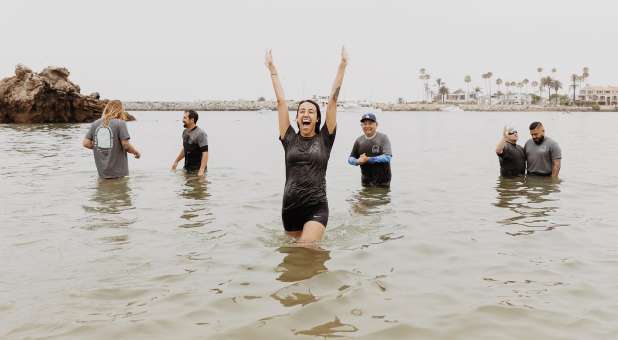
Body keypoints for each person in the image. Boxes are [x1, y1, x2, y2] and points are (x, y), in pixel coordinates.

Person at [265, 47, 348, 243]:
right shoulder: (289, 138)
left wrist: (342, 66)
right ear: (296, 118)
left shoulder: (325, 139)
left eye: (311, 111)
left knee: (306, 248)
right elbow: (281, 102)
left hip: (316, 205)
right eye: (302, 111)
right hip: (290, 208)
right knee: (295, 261)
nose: (306, 114)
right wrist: (272, 70)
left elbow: (333, 101)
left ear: (318, 118)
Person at [82, 100, 140, 179]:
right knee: (119, 190)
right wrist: (135, 152)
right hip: (118, 173)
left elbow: (86, 143)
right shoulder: (120, 123)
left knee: (103, 190)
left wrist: (100, 146)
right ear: (120, 110)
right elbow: (125, 145)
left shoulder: (95, 123)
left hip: (102, 173)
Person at [348, 112, 392, 187]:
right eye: (365, 124)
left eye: (370, 123)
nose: (367, 126)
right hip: (366, 181)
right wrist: (357, 161)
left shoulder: (383, 138)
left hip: (383, 182)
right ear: (361, 126)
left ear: (376, 125)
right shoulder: (359, 140)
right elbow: (350, 158)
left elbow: (387, 157)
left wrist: (368, 159)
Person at [171, 110, 209, 176]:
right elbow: (185, 149)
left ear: (192, 120)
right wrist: (176, 161)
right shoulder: (185, 132)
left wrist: (201, 170)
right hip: (187, 169)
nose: (183, 120)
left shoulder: (200, 133)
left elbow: (205, 153)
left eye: (185, 118)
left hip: (197, 170)